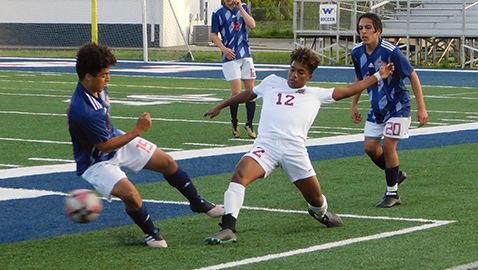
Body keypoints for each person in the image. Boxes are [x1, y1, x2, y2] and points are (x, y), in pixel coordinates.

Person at [203, 47, 395, 244]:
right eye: (292, 69)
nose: (294, 75)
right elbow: (248, 94)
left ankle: (320, 213)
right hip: (266, 146)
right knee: (240, 175)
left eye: (300, 72)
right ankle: (228, 227)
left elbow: (349, 91)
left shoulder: (315, 94)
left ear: (309, 76)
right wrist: (221, 105)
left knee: (316, 200)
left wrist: (379, 75)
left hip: (295, 151)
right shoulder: (271, 82)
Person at [67, 43, 225, 248]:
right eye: (104, 74)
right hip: (96, 161)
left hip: (116, 140)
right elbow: (105, 146)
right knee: (131, 195)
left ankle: (196, 202)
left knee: (167, 162)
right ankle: (151, 233)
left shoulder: (97, 89)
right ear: (88, 76)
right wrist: (138, 130)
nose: (108, 78)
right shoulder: (84, 110)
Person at [350, 13, 429, 208]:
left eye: (368, 27)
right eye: (360, 28)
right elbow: (360, 79)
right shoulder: (357, 52)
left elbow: (413, 76)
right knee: (369, 148)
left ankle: (392, 193)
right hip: (377, 110)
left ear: (378, 30)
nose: (364, 31)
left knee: (388, 146)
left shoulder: (391, 51)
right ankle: (396, 174)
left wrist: (422, 107)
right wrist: (354, 104)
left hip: (398, 107)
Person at [211, 0, 257, 139]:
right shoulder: (218, 13)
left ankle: (249, 123)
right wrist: (224, 49)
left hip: (246, 54)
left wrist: (241, 8)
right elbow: (214, 34)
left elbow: (252, 25)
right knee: (237, 91)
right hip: (230, 56)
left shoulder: (243, 8)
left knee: (251, 91)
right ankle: (235, 122)